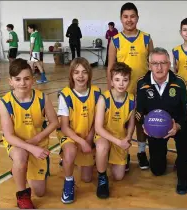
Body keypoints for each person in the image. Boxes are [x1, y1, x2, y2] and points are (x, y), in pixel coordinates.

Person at [0, 58, 59, 209]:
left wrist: (37, 139)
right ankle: (22, 195)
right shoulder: (5, 102)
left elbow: (54, 122)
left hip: (37, 142)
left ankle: (18, 168)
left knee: (40, 192)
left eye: (26, 78)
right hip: (16, 143)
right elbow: (9, 135)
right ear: (10, 81)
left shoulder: (41, 98)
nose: (22, 83)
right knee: (20, 156)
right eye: (17, 79)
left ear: (33, 79)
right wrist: (31, 148)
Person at [136, 47, 187, 195]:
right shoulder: (141, 83)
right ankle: (162, 158)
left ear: (169, 64)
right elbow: (139, 111)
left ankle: (182, 175)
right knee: (157, 170)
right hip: (156, 128)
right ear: (149, 65)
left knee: (185, 143)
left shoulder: (180, 83)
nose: (159, 67)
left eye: (163, 63)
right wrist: (144, 125)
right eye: (155, 63)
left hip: (178, 125)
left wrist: (179, 126)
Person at [108, 2, 154, 170]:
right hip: (122, 91)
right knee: (124, 124)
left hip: (143, 91)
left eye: (132, 16)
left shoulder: (147, 38)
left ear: (137, 18)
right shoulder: (115, 40)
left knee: (141, 123)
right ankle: (124, 153)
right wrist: (111, 90)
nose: (129, 20)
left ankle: (141, 152)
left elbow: (153, 64)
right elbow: (110, 67)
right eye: (125, 17)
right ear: (121, 19)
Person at [56, 57, 101, 204]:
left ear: (89, 74)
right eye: (76, 72)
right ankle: (68, 182)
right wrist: (82, 141)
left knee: (87, 179)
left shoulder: (96, 92)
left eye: (84, 72)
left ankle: (77, 159)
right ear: (71, 75)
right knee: (70, 152)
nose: (80, 76)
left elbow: (97, 121)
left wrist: (89, 138)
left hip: (88, 134)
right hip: (69, 134)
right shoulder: (66, 95)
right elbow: (64, 126)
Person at [94, 62, 134, 199]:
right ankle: (102, 177)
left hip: (120, 137)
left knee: (119, 177)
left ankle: (113, 158)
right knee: (102, 146)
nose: (121, 83)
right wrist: (117, 141)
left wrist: (127, 138)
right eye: (117, 80)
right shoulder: (103, 98)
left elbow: (131, 123)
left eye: (125, 80)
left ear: (129, 81)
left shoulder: (132, 100)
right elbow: (98, 128)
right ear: (111, 82)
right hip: (104, 136)